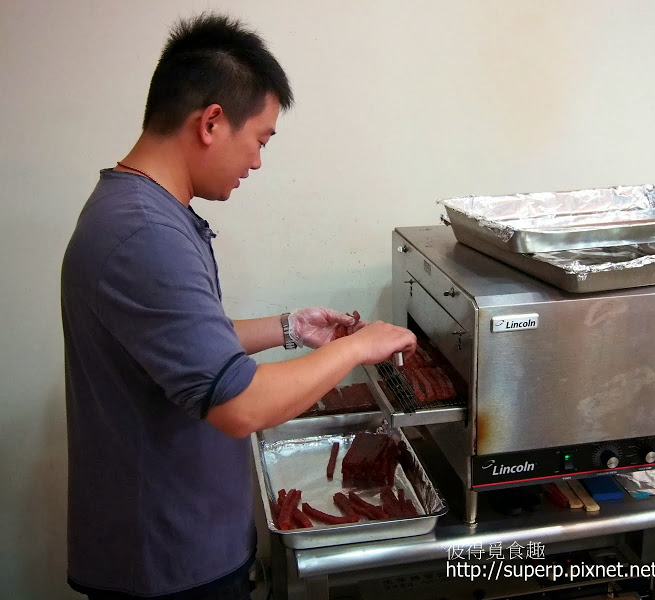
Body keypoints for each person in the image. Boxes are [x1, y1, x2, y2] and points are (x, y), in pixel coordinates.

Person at [60, 12, 416, 599]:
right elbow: (241, 405)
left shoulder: (137, 211)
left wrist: (287, 328)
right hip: (167, 562)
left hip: (175, 541)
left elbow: (181, 342)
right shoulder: (144, 234)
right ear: (212, 122)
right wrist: (359, 347)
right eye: (260, 140)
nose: (257, 161)